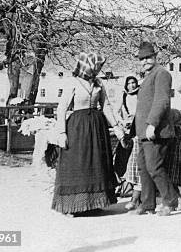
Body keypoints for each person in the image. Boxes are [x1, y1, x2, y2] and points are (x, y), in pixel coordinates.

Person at [51, 52, 126, 215]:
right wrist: (62, 132)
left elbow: (106, 106)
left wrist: (116, 127)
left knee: (97, 162)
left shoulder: (99, 83)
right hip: (78, 127)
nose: (99, 69)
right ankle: (76, 205)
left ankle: (94, 203)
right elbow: (62, 108)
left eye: (100, 66)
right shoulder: (73, 82)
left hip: (97, 127)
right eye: (97, 66)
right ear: (88, 65)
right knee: (79, 162)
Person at [134, 41, 177, 216]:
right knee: (144, 168)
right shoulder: (148, 77)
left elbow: (162, 101)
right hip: (144, 133)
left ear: (155, 57)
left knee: (154, 167)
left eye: (147, 58)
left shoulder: (162, 74)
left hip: (156, 131)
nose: (144, 61)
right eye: (141, 59)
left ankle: (170, 201)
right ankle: (147, 204)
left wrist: (152, 124)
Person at [116, 76, 141, 211]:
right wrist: (122, 121)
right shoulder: (124, 96)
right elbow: (116, 110)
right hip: (128, 127)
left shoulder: (141, 94)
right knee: (123, 155)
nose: (131, 86)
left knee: (137, 157)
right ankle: (126, 185)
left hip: (139, 125)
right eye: (129, 83)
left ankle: (139, 187)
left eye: (133, 83)